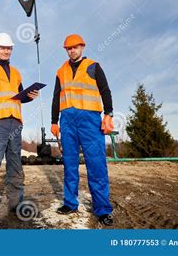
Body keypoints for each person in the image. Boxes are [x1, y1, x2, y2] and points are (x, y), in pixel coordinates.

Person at [50, 34, 115, 226]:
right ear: (66, 50)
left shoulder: (94, 66)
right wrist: (54, 121)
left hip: (90, 121)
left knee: (96, 164)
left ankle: (102, 209)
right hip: (67, 121)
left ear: (82, 47)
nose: (72, 50)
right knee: (70, 164)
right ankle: (70, 203)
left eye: (75, 47)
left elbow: (105, 91)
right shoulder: (60, 71)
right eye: (69, 48)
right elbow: (56, 98)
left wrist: (108, 114)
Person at [0, 32, 39, 227]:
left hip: (15, 123)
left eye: (9, 48)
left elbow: (18, 97)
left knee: (15, 167)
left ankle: (15, 205)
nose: (6, 51)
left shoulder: (17, 72)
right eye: (2, 48)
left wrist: (30, 96)